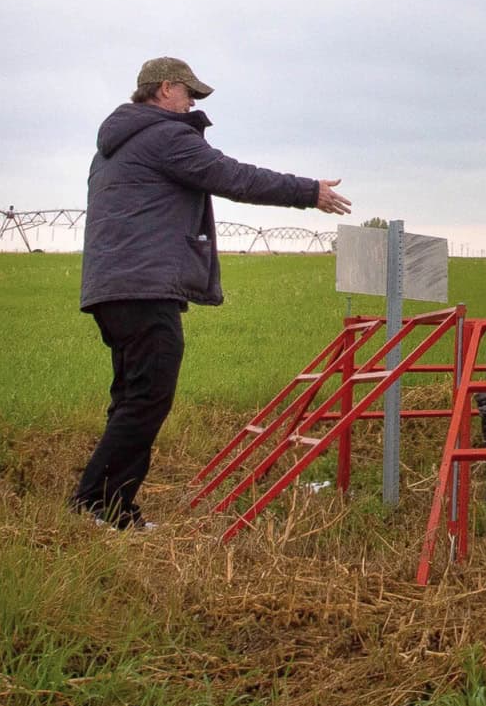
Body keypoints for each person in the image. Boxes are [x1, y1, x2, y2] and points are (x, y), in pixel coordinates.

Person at [73, 57, 353, 528]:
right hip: (144, 288)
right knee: (147, 399)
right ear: (165, 90)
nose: (193, 104)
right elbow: (232, 176)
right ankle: (99, 507)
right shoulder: (165, 136)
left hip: (111, 288)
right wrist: (309, 191)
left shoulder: (112, 148)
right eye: (190, 95)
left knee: (132, 397)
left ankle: (104, 504)